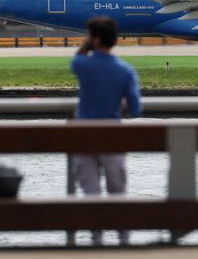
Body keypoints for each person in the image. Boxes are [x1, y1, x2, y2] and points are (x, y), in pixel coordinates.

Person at [71, 16, 142, 246]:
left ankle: (96, 239)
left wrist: (88, 44)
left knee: (90, 191)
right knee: (117, 189)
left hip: (84, 135)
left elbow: (78, 59)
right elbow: (135, 109)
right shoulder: (125, 71)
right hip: (112, 134)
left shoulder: (82, 65)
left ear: (95, 39)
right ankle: (124, 238)